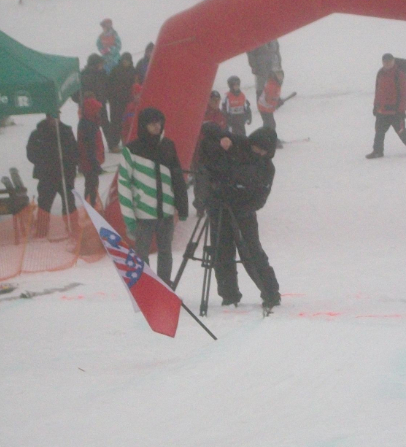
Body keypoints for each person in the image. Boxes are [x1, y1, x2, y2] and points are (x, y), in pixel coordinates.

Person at [198, 124, 281, 309]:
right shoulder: (240, 145)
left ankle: (270, 292)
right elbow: (208, 128)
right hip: (219, 209)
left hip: (243, 214)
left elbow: (260, 198)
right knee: (221, 253)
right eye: (256, 147)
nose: (258, 152)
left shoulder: (267, 168)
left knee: (252, 253)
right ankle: (229, 295)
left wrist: (240, 208)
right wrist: (223, 139)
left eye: (263, 151)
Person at [118, 108, 188, 284]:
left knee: (165, 253)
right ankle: (146, 286)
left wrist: (182, 207)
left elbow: (177, 178)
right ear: (144, 125)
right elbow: (124, 185)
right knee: (141, 255)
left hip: (166, 212)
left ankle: (164, 285)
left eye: (159, 122)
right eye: (152, 123)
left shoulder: (168, 145)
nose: (157, 126)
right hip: (143, 215)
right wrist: (129, 219)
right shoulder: (131, 150)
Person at [26, 113, 79, 236]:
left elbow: (74, 150)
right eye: (52, 117)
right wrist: (44, 162)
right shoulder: (38, 133)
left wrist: (71, 162)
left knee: (69, 202)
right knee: (44, 203)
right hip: (47, 176)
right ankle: (42, 230)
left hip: (65, 174)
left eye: (57, 117)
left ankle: (72, 227)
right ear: (47, 117)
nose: (55, 120)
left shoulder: (66, 131)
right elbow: (31, 153)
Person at [366, 53, 406, 159]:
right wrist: (375, 106)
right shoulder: (380, 73)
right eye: (385, 62)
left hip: (395, 111)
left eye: (389, 61)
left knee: (401, 131)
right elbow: (378, 91)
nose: (387, 63)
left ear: (393, 61)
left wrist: (401, 110)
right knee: (379, 132)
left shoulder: (399, 74)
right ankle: (377, 151)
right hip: (382, 110)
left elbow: (404, 94)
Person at [76, 92, 105, 207]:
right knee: (91, 186)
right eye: (96, 110)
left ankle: (90, 205)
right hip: (89, 162)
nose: (98, 112)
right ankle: (90, 207)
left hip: (88, 162)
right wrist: (95, 164)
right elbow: (89, 148)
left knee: (91, 184)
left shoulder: (88, 122)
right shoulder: (88, 125)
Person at [78, 53, 111, 149]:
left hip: (101, 102)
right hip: (88, 105)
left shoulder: (102, 73)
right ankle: (90, 147)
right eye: (100, 63)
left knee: (105, 123)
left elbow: (106, 86)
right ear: (95, 64)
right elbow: (79, 91)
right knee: (91, 126)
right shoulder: (85, 75)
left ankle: (112, 144)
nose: (102, 65)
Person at [107, 53, 137, 152]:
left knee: (128, 122)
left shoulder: (133, 71)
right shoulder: (115, 70)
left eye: (127, 60)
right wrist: (111, 97)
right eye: (124, 60)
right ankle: (114, 144)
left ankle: (128, 143)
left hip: (128, 101)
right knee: (115, 123)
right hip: (116, 101)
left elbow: (135, 85)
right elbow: (109, 84)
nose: (125, 62)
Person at [257, 69, 286, 148]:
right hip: (264, 107)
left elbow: (275, 96)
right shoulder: (272, 85)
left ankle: (268, 138)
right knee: (270, 124)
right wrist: (276, 103)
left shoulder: (276, 83)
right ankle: (268, 140)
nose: (280, 77)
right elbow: (269, 99)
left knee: (270, 123)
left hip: (268, 108)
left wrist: (278, 100)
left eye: (281, 75)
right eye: (278, 75)